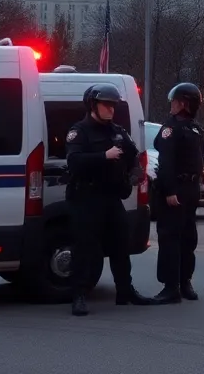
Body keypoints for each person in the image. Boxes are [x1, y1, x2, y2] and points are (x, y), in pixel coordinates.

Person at [64, 83, 153, 316]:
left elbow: (135, 157)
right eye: (106, 105)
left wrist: (135, 173)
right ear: (93, 105)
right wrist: (105, 155)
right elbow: (74, 161)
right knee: (84, 249)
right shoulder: (79, 131)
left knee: (120, 246)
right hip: (86, 199)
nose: (111, 109)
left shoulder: (117, 131)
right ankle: (79, 296)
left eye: (113, 105)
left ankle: (125, 291)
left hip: (112, 198)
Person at [150, 82, 204, 304]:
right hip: (175, 188)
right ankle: (170, 286)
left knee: (188, 238)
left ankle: (185, 281)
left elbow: (202, 154)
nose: (171, 106)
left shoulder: (195, 128)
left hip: (190, 190)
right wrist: (169, 190)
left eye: (175, 102)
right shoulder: (170, 128)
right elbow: (165, 162)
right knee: (170, 238)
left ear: (184, 104)